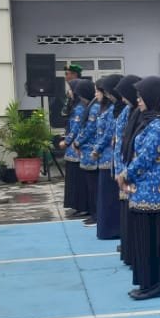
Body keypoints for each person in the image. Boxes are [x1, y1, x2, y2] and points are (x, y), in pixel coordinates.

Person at [120, 76, 160, 301]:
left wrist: (126, 174)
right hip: (145, 186)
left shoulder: (158, 124)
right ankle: (153, 280)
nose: (138, 100)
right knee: (147, 234)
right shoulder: (149, 120)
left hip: (155, 187)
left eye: (141, 96)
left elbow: (146, 155)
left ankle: (155, 282)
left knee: (153, 235)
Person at [91, 74, 125, 238]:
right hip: (104, 157)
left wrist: (97, 148)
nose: (98, 95)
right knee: (105, 195)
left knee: (111, 196)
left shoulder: (114, 110)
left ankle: (113, 229)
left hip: (110, 156)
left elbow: (109, 134)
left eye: (100, 91)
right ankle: (106, 228)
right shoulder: (106, 108)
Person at [114, 75, 142, 264]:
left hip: (131, 171)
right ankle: (128, 247)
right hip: (124, 166)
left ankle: (132, 249)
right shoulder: (129, 110)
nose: (122, 99)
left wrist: (126, 172)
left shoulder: (139, 114)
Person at [61, 79, 92, 218]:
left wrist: (67, 142)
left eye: (70, 89)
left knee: (78, 180)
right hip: (74, 149)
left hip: (76, 149)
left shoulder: (80, 108)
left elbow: (75, 128)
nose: (68, 92)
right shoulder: (75, 105)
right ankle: (78, 206)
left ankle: (82, 206)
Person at [72, 79, 100, 223]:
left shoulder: (94, 108)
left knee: (94, 186)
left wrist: (77, 142)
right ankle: (94, 213)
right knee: (91, 186)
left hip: (91, 152)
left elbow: (89, 129)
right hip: (87, 153)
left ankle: (96, 214)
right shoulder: (90, 106)